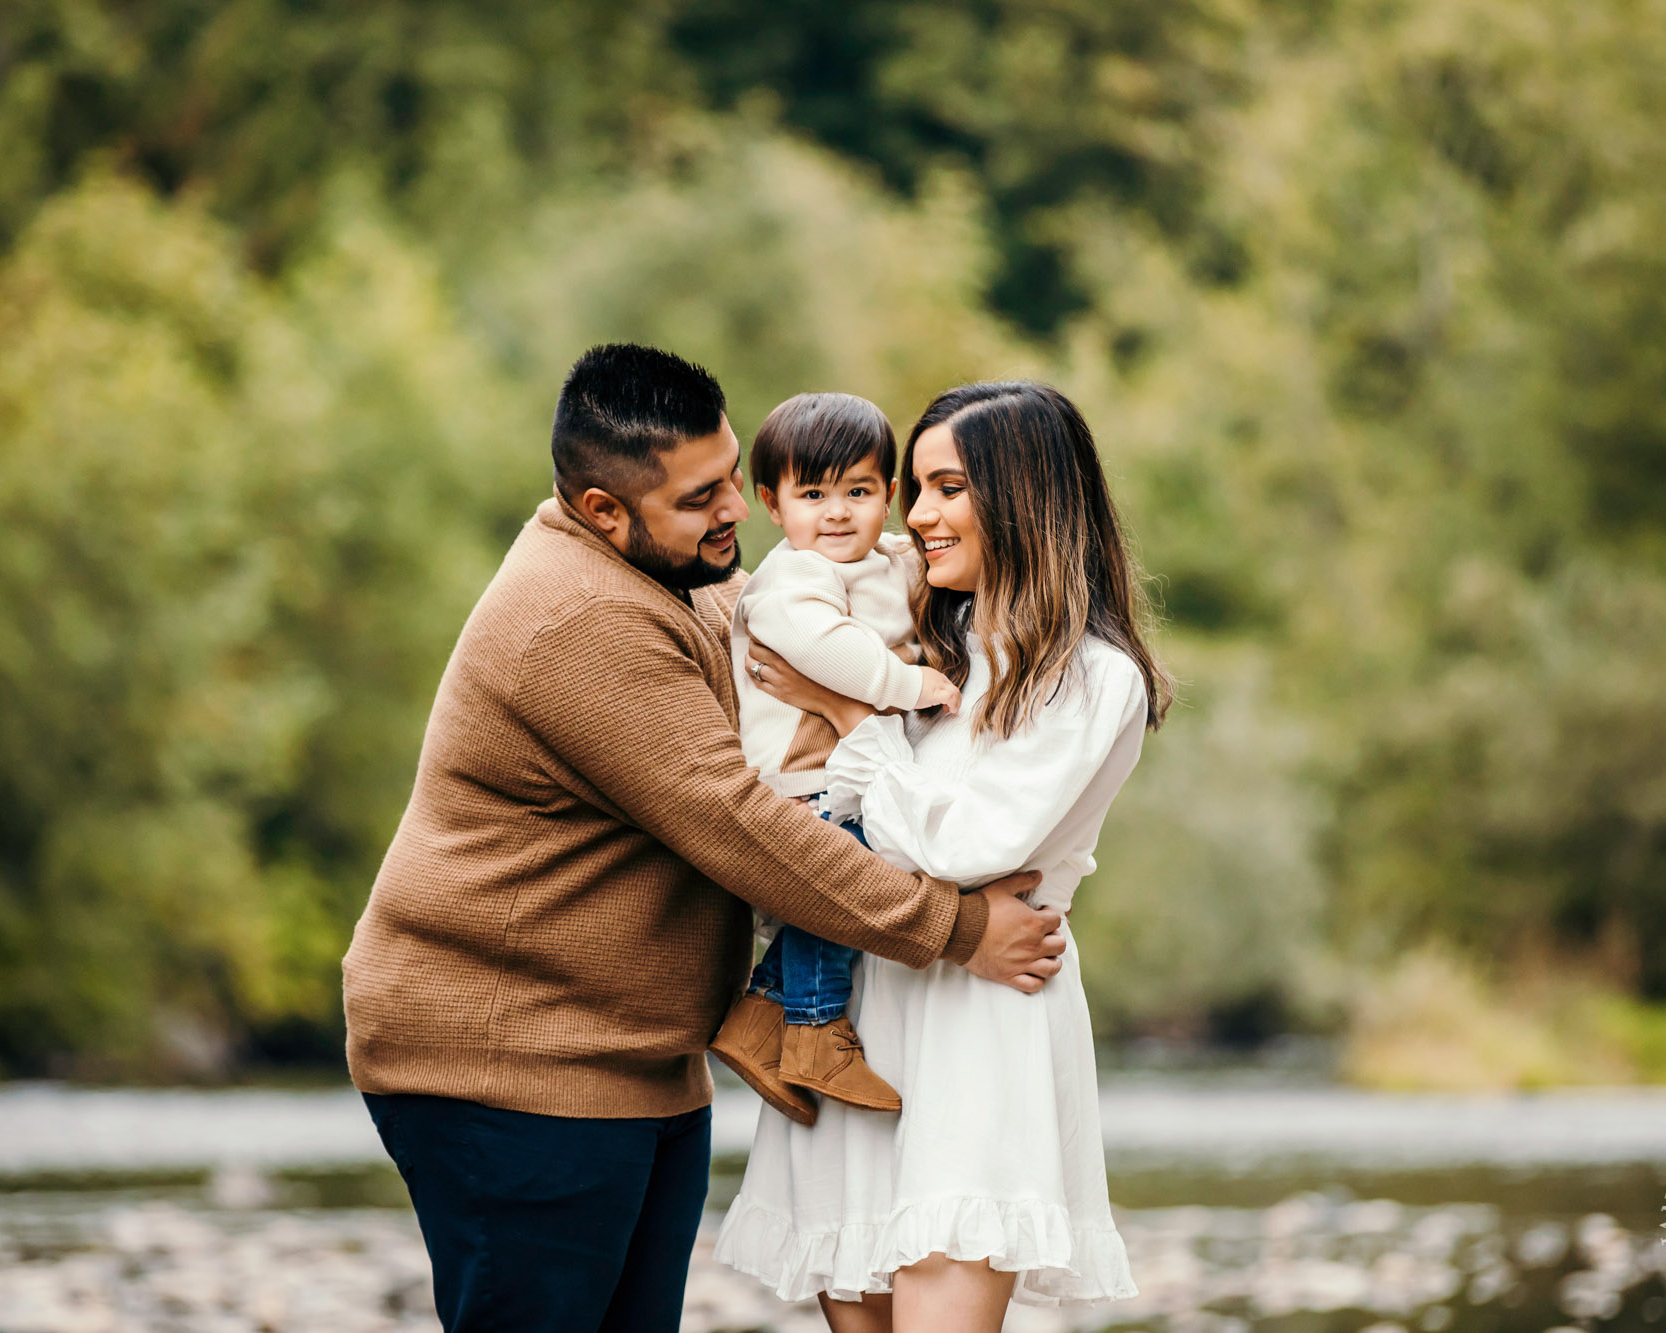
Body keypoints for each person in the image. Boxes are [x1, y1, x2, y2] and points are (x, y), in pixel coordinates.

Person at [339, 346, 1069, 1333]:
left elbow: (807, 603)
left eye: (732, 475)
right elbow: (742, 826)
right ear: (604, 509)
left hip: (629, 1054)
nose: (737, 508)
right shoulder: (582, 618)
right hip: (508, 1061)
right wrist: (954, 927)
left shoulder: (674, 574)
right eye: (700, 498)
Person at [712, 381, 1173, 1331]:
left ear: (1025, 495)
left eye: (945, 487)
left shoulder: (1092, 676)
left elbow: (963, 845)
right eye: (914, 489)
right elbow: (832, 816)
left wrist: (848, 713)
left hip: (977, 1022)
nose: (914, 517)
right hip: (862, 1010)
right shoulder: (933, 643)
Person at [710, 392, 962, 1126]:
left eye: (857, 491)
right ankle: (816, 1028)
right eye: (812, 494)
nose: (836, 513)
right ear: (771, 503)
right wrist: (908, 683)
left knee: (847, 869)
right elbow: (831, 649)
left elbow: (915, 583)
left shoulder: (884, 559)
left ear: (890, 494)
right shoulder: (794, 578)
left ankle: (759, 1018)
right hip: (798, 775)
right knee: (843, 879)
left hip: (839, 767)